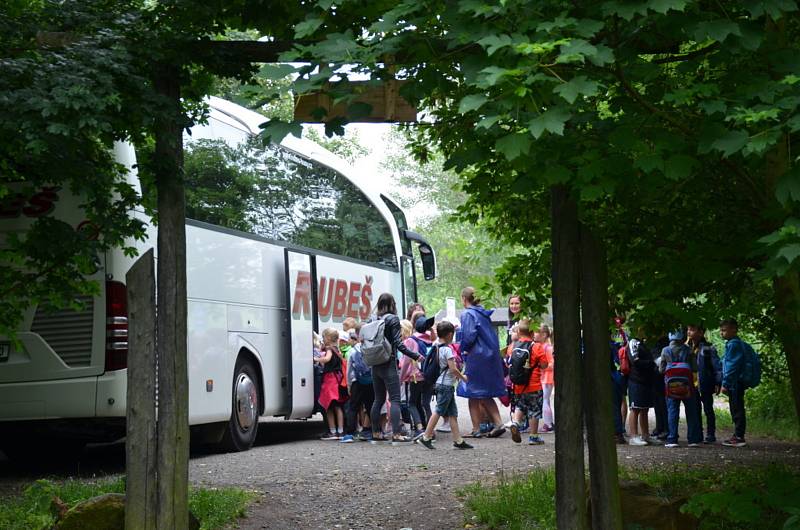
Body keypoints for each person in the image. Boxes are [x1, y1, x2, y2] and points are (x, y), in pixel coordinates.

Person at [369, 293, 421, 444]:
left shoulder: (373, 319)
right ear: (393, 304)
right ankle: (397, 434)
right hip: (388, 363)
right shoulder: (392, 319)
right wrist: (415, 355)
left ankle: (376, 432)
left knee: (378, 399)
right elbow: (398, 344)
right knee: (395, 399)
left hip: (375, 363)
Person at [415, 321, 473, 450]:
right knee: (439, 411)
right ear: (450, 334)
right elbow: (453, 369)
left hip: (440, 383)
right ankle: (426, 437)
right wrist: (463, 378)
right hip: (446, 385)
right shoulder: (447, 350)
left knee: (452, 413)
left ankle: (458, 440)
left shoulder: (436, 346)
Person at [458, 287, 507, 438]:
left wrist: (463, 349)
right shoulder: (483, 314)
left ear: (464, 299)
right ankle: (498, 423)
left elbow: (469, 336)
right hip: (490, 355)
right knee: (483, 392)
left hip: (476, 357)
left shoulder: (467, 314)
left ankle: (476, 428)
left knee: (471, 391)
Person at [658, 329, 702, 448]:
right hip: (687, 386)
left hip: (671, 387)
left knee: (672, 410)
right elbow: (694, 368)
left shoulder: (665, 350)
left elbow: (661, 370)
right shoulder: (688, 349)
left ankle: (672, 439)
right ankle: (693, 439)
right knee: (691, 411)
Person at [509, 319, 549, 445]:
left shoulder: (512, 346)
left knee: (520, 406)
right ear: (532, 333)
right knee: (534, 410)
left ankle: (515, 422)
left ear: (519, 332)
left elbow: (509, 362)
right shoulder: (537, 347)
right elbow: (544, 365)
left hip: (518, 386)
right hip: (534, 386)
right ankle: (533, 436)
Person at [687, 324, 722, 444]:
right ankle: (698, 434)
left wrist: (718, 382)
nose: (689, 332)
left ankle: (711, 434)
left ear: (701, 333)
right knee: (695, 409)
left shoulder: (708, 347)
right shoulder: (687, 347)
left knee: (708, 409)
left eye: (692, 329)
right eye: (688, 329)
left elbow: (716, 365)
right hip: (691, 384)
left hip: (705, 383)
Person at [341, 324, 375, 443]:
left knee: (353, 407)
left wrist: (349, 385)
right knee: (371, 406)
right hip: (370, 381)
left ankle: (350, 433)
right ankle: (375, 431)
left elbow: (349, 370)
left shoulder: (353, 350)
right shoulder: (371, 347)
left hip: (357, 381)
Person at [720, 318, 749, 447]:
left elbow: (732, 366)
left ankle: (739, 436)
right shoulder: (734, 343)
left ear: (734, 330)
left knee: (737, 408)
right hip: (735, 382)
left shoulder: (734, 345)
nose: (722, 333)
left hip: (735, 383)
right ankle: (737, 435)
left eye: (724, 330)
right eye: (721, 330)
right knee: (735, 407)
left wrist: (725, 384)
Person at [625, 330, 657, 446]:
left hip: (646, 380)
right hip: (636, 380)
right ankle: (633, 436)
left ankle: (645, 435)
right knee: (635, 408)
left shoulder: (643, 343)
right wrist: (652, 363)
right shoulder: (633, 342)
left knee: (644, 408)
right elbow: (635, 361)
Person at [317, 328, 348, 440]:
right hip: (337, 380)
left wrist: (317, 358)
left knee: (329, 407)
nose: (323, 339)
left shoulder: (329, 349)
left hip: (330, 382)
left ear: (328, 338)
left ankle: (332, 431)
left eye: (324, 337)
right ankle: (340, 431)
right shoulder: (337, 349)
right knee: (338, 406)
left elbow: (327, 359)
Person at [400, 319, 427, 437]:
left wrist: (401, 378)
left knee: (411, 404)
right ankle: (426, 428)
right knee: (418, 403)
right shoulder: (418, 340)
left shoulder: (408, 342)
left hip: (413, 376)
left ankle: (419, 428)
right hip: (421, 375)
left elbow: (406, 362)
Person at [539, 324, 555, 433]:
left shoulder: (548, 348)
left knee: (544, 400)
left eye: (536, 332)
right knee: (545, 400)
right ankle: (548, 423)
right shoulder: (542, 347)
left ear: (544, 335)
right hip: (544, 377)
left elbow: (552, 364)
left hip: (547, 377)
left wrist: (542, 367)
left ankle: (548, 424)